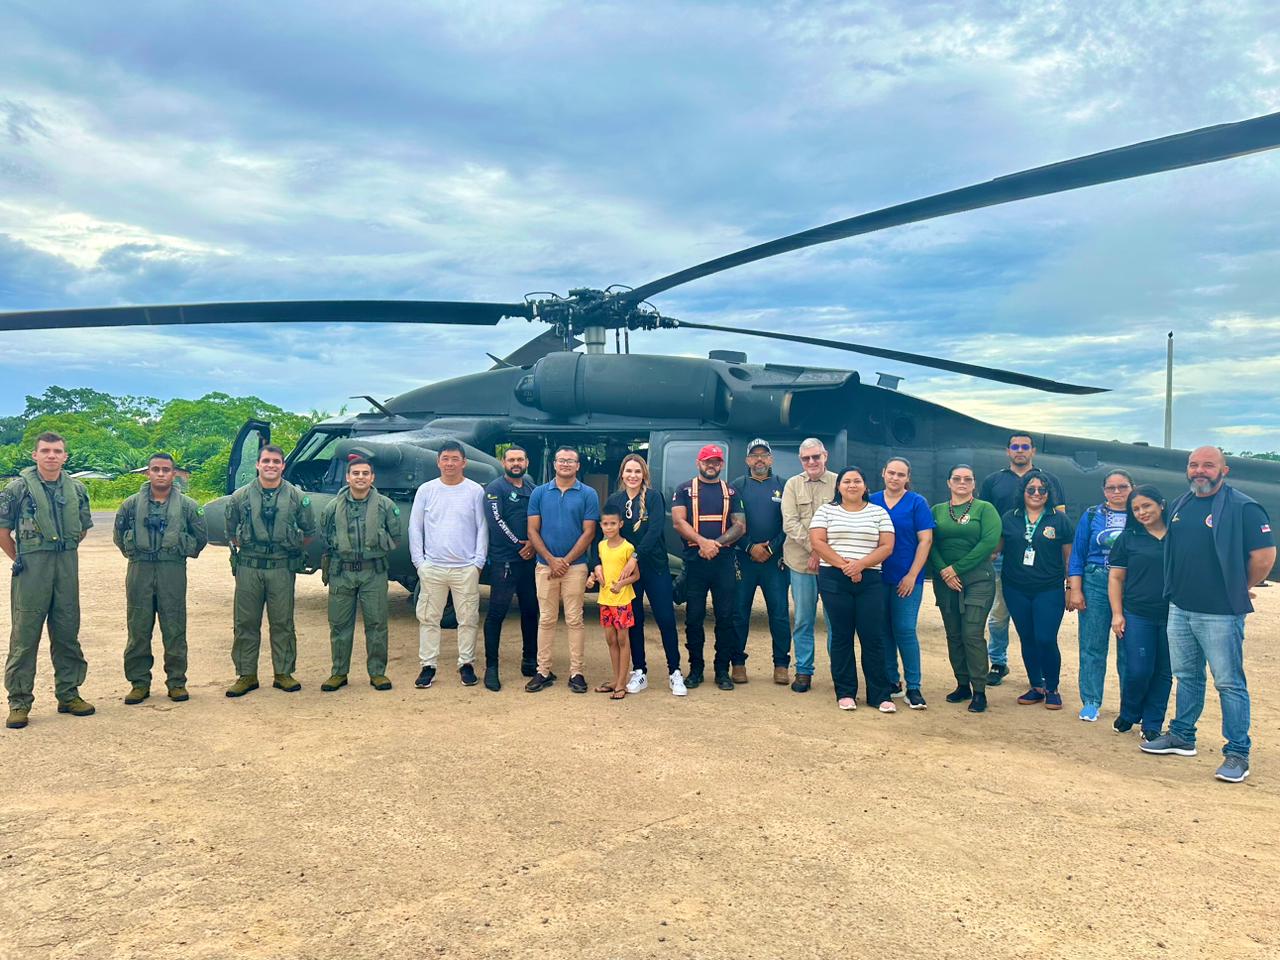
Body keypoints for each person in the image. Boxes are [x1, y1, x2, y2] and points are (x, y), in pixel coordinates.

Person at [1141, 446, 1275, 783]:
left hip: (1220, 613)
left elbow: (1264, 555)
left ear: (1224, 470)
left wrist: (1239, 586)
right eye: (1194, 465)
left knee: (1228, 682)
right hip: (1181, 607)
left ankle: (1237, 752)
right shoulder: (1183, 504)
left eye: (1208, 465)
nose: (1200, 470)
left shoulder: (1244, 507)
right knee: (1187, 676)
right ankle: (1182, 736)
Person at [2, 432, 95, 729]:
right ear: (35, 455)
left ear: (65, 456)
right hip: (32, 567)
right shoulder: (17, 489)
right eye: (45, 451)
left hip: (66, 565)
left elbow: (81, 528)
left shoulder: (77, 490)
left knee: (68, 631)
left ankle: (69, 694)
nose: (51, 455)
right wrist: (21, 557)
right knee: (25, 637)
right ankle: (19, 702)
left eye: (57, 451)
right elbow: (3, 532)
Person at [113, 452, 208, 705]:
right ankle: (139, 683)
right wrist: (136, 554)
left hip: (172, 570)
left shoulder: (188, 505)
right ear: (148, 472)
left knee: (175, 628)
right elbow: (118, 535)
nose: (161, 473)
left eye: (166, 469)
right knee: (138, 629)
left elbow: (200, 538)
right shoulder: (130, 505)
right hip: (139, 570)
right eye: (156, 469)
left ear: (173, 473)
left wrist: (178, 552)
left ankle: (177, 682)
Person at [225, 444, 316, 697]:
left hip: (281, 568)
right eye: (266, 461)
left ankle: (283, 673)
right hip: (249, 567)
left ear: (283, 466)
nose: (271, 466)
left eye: (276, 461)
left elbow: (309, 532)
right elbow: (230, 530)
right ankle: (246, 675)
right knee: (245, 623)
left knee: (283, 623)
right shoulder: (240, 496)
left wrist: (287, 549)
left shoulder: (297, 497)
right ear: (258, 464)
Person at [979, 433, 1066, 688]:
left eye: (1024, 447)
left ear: (1033, 451)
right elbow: (985, 517)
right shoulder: (993, 481)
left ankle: (1045, 678)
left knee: (1040, 629)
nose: (1020, 450)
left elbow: (1059, 519)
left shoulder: (1049, 480)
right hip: (1003, 556)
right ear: (1008, 451)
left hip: (1040, 561)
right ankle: (998, 660)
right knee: (998, 615)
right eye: (1015, 446)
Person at [809, 467, 896, 712]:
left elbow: (887, 546)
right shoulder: (826, 511)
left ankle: (880, 695)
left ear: (865, 486)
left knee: (873, 637)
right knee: (841, 636)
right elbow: (817, 541)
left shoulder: (878, 512)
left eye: (857, 481)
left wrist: (861, 565)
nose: (852, 485)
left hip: (870, 580)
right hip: (834, 579)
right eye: (846, 481)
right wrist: (846, 566)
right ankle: (845, 692)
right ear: (838, 486)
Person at [604, 453, 685, 696]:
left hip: (655, 566)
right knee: (634, 620)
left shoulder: (653, 497)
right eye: (629, 471)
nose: (633, 476)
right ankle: (639, 671)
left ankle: (675, 672)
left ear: (644, 475)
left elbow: (655, 530)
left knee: (665, 619)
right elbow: (609, 533)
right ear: (622, 474)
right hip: (628, 573)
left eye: (637, 471)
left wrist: (635, 557)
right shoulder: (615, 500)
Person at [410, 440, 488, 690]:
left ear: (464, 462)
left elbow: (482, 527)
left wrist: (478, 563)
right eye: (445, 458)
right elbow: (415, 527)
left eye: (455, 459)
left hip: (465, 567)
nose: (450, 463)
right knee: (429, 618)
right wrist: (419, 563)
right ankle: (428, 665)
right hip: (432, 566)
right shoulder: (426, 490)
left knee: (468, 618)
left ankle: (466, 663)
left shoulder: (475, 490)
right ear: (438, 461)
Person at [319, 457, 402, 693]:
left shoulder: (385, 505)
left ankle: (377, 673)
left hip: (372, 572)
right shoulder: (332, 507)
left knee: (376, 624)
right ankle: (338, 673)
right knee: (339, 624)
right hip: (341, 571)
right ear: (347, 477)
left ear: (372, 478)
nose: (360, 477)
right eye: (355, 473)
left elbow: (395, 537)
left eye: (365, 473)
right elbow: (325, 537)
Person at [526, 446, 600, 693]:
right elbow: (533, 530)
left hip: (575, 567)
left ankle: (576, 673)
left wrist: (565, 561)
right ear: (554, 464)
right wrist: (550, 559)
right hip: (544, 566)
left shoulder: (588, 494)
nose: (566, 464)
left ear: (578, 465)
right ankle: (543, 671)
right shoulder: (539, 492)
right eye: (561, 460)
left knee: (574, 619)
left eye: (571, 461)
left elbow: (589, 532)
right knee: (546, 619)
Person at [671, 444, 746, 691]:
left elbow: (740, 526)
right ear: (698, 463)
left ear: (721, 464)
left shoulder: (731, 492)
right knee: (693, 618)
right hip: (695, 561)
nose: (711, 465)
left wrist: (715, 544)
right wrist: (703, 543)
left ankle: (722, 670)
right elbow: (678, 521)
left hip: (723, 561)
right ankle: (696, 669)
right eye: (707, 461)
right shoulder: (684, 489)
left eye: (716, 461)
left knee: (725, 617)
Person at [929, 464, 1001, 713]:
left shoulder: (985, 509)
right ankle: (962, 684)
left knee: (971, 634)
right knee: (954, 635)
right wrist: (943, 571)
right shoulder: (937, 510)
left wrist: (956, 569)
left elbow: (988, 543)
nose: (962, 482)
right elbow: (930, 543)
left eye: (967, 479)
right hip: (945, 581)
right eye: (957, 479)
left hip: (978, 579)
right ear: (949, 482)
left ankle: (979, 690)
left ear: (973, 483)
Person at [999, 473, 1073, 711]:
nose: (1036, 494)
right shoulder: (1010, 518)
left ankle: (1052, 687)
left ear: (1049, 494)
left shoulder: (1059, 520)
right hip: (1015, 587)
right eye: (1031, 490)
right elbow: (995, 548)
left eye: (1042, 490)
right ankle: (1036, 686)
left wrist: (1071, 587)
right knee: (1027, 637)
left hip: (1048, 588)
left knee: (1045, 638)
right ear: (1023, 492)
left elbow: (1069, 558)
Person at [1067, 469, 1134, 722]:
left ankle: (1130, 704)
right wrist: (1075, 588)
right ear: (1104, 490)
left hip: (1130, 583)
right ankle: (1091, 701)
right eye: (1111, 488)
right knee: (1092, 645)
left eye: (1123, 487)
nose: (1117, 492)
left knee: (1128, 646)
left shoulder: (1140, 514)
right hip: (1096, 580)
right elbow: (1077, 554)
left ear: (1132, 488)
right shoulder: (1093, 515)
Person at [870, 456, 934, 709]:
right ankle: (891, 680)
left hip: (907, 578)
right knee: (883, 630)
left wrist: (911, 574)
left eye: (901, 474)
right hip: (876, 577)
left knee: (905, 630)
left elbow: (925, 540)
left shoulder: (917, 503)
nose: (895, 478)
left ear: (908, 478)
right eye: (891, 473)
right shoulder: (871, 500)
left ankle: (914, 687)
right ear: (883, 473)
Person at [1107, 484, 1171, 741]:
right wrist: (1117, 613)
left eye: (1147, 506)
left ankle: (1153, 723)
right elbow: (1116, 578)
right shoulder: (1128, 538)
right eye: (1136, 509)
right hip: (1137, 613)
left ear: (1161, 505)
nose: (1142, 512)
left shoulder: (1177, 536)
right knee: (1138, 670)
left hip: (1173, 615)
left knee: (1164, 672)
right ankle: (1130, 711)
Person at [731, 439, 789, 685]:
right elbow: (731, 524)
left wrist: (771, 547)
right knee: (739, 614)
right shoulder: (736, 486)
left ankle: (781, 664)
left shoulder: (784, 486)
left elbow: (790, 523)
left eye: (764, 455)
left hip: (774, 561)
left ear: (771, 459)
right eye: (754, 456)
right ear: (747, 460)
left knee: (779, 614)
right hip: (744, 559)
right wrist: (749, 546)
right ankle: (738, 663)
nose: (759, 460)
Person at [780, 437, 836, 693]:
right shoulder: (792, 484)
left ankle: (840, 672)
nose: (812, 462)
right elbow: (789, 523)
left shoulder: (840, 483)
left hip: (834, 565)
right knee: (803, 619)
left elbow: (844, 520)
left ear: (825, 455)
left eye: (816, 456)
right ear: (800, 460)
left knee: (836, 620)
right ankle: (804, 671)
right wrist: (815, 549)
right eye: (806, 458)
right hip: (801, 564)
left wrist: (823, 553)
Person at [482, 445, 539, 691]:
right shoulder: (495, 489)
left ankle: (530, 661)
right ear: (503, 462)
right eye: (511, 459)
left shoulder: (533, 489)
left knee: (530, 611)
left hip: (530, 561)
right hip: (505, 561)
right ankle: (491, 668)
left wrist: (534, 546)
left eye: (520, 459)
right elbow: (496, 521)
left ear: (527, 462)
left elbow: (540, 519)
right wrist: (519, 545)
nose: (516, 463)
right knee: (496, 614)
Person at [589, 504, 640, 700]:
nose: (609, 528)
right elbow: (600, 570)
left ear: (620, 524)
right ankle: (615, 678)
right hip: (605, 600)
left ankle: (622, 682)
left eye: (612, 524)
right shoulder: (601, 546)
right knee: (610, 640)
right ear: (601, 526)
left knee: (622, 640)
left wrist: (621, 584)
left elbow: (636, 575)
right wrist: (592, 577)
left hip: (622, 601)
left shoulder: (628, 547)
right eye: (605, 524)